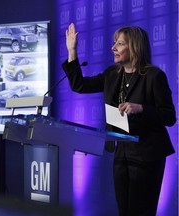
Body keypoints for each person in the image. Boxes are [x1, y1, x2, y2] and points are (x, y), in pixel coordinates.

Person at [62, 23, 176, 216]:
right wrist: (72, 51)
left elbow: (169, 116)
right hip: (122, 153)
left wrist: (141, 108)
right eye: (115, 43)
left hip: (148, 154)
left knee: (141, 212)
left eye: (120, 44)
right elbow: (79, 85)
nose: (113, 47)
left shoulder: (154, 76)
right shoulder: (112, 74)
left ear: (134, 47)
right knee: (124, 211)